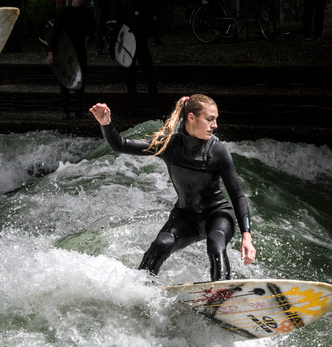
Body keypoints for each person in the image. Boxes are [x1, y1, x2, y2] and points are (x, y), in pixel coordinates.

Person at [88, 95, 256, 282]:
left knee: (215, 246)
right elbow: (120, 144)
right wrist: (106, 123)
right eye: (210, 119)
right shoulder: (169, 145)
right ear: (191, 117)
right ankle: (142, 288)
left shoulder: (218, 151)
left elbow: (237, 194)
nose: (215, 125)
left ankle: (221, 294)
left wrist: (246, 236)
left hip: (217, 215)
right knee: (162, 244)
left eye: (215, 119)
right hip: (186, 216)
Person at [46, 0, 95, 119]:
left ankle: (79, 110)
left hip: (80, 50)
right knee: (65, 81)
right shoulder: (64, 13)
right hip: (66, 52)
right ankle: (66, 111)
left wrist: (88, 37)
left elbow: (92, 27)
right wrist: (51, 52)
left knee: (80, 80)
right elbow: (55, 33)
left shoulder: (86, 12)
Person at [120, 0, 159, 113]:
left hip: (141, 44)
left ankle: (155, 105)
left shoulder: (146, 8)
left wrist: (144, 33)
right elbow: (120, 26)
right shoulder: (126, 7)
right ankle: (132, 107)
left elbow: (152, 26)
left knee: (148, 73)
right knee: (130, 77)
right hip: (129, 45)